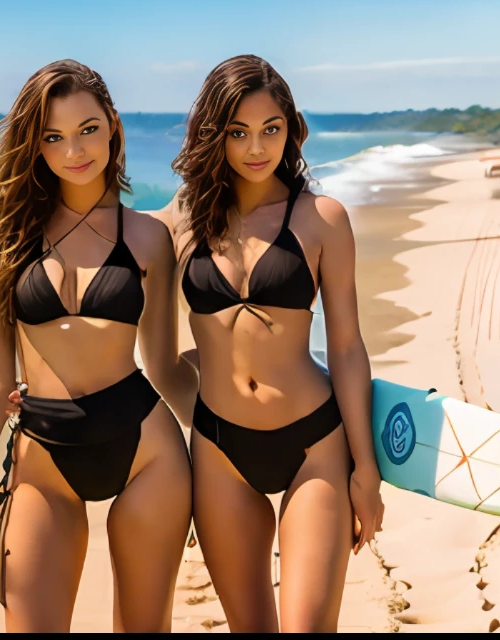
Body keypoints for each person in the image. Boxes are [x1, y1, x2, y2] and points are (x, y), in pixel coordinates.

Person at [0, 59, 196, 632]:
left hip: (147, 453)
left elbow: (163, 366)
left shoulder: (149, 237)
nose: (74, 150)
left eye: (87, 129)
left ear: (113, 128)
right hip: (42, 462)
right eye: (53, 137)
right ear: (36, 146)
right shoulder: (5, 237)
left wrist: (233, 429)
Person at [161, 54, 386, 632]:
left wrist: (366, 468)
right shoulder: (180, 223)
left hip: (314, 443)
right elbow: (93, 261)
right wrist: (35, 373)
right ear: (215, 135)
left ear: (290, 128)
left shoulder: (322, 219)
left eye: (271, 129)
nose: (256, 147)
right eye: (238, 132)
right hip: (219, 452)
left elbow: (346, 349)